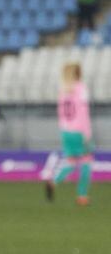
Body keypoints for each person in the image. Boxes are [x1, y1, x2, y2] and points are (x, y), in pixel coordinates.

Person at [47, 62, 92, 206]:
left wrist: (64, 130)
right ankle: (82, 196)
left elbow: (60, 113)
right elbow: (83, 112)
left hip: (66, 131)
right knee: (86, 161)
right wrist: (87, 133)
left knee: (71, 162)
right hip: (79, 131)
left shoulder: (63, 90)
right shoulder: (81, 88)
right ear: (78, 73)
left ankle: (54, 182)